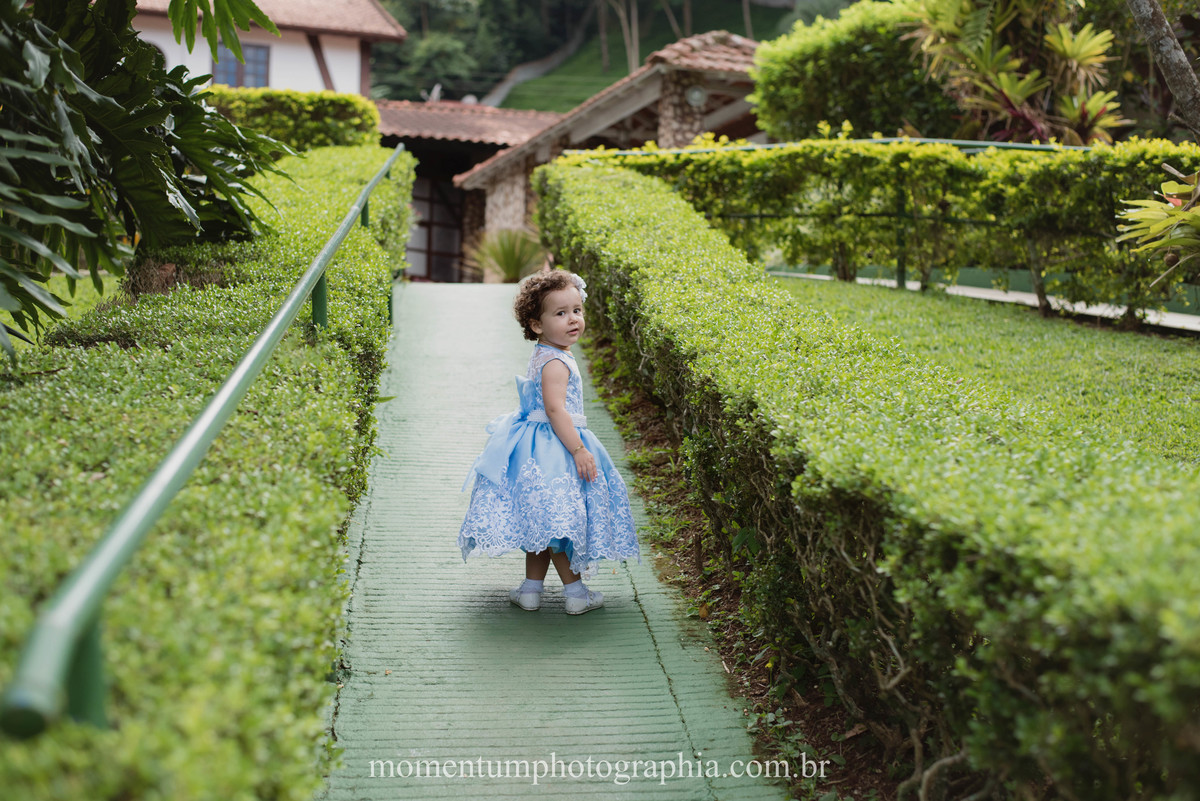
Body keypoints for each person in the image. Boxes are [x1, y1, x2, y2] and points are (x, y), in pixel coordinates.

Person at [458, 270, 640, 614]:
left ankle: (531, 589)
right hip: (556, 447)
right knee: (558, 524)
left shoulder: (546, 352)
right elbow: (556, 410)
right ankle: (575, 593)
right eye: (560, 313)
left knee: (541, 522)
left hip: (536, 442)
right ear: (536, 324)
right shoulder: (557, 361)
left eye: (577, 310)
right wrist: (579, 449)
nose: (573, 319)